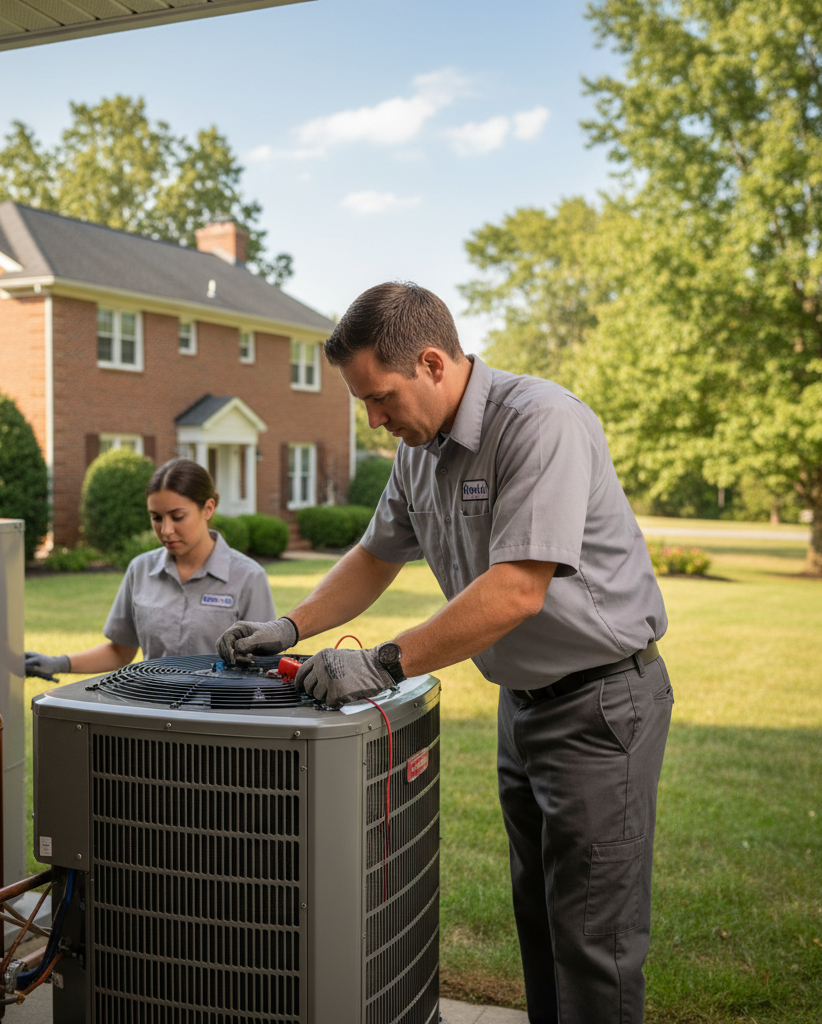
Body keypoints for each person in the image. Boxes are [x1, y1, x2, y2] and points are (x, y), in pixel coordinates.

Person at [217, 283, 672, 1024]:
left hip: (601, 706)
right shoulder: (418, 453)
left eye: (381, 398)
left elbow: (517, 590)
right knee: (540, 915)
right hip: (523, 706)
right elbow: (373, 556)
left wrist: (385, 662)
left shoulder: (539, 422)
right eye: (364, 404)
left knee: (594, 938)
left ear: (432, 362)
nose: (375, 420)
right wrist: (289, 627)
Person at [25, 458, 275, 679]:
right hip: (150, 716)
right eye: (156, 517)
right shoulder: (140, 570)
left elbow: (263, 667)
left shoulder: (248, 578)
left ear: (208, 509)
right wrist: (58, 663)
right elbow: (120, 651)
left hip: (219, 720)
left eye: (177, 517)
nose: (166, 530)